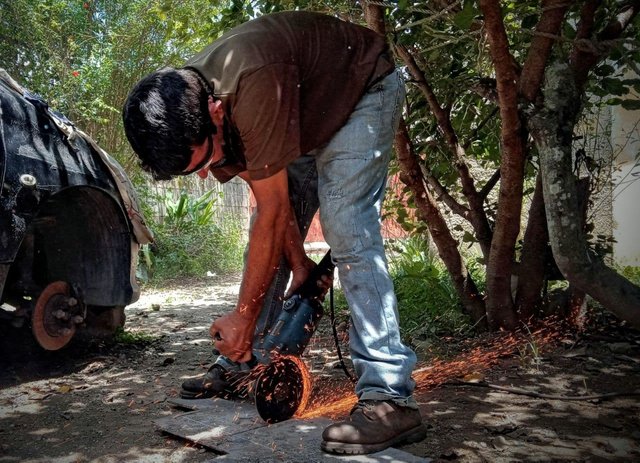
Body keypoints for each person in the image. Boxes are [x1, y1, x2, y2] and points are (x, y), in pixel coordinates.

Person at [122, 10, 426, 455]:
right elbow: (276, 214)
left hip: (361, 91)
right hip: (303, 114)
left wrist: (242, 315)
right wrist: (300, 265)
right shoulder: (193, 109)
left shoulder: (253, 83)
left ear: (215, 112)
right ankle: (240, 362)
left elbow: (272, 209)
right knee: (271, 244)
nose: (208, 176)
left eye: (206, 161)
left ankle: (389, 397)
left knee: (346, 226)